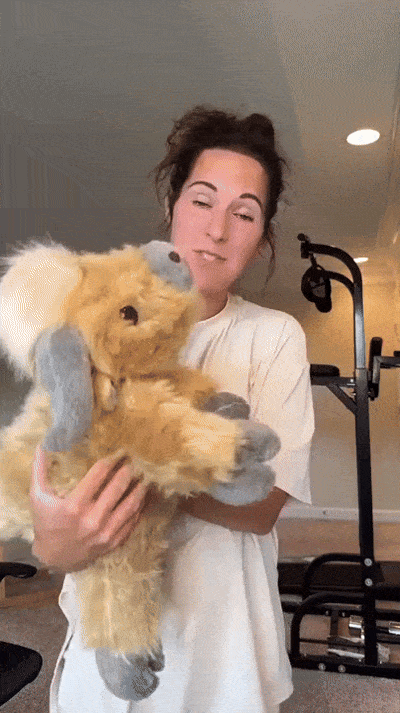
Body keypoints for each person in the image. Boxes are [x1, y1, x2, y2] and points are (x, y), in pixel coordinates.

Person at [30, 106, 314, 713]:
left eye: (244, 214)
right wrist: (56, 541)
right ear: (172, 205)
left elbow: (261, 508)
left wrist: (130, 459)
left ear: (263, 237)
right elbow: (57, 481)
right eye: (202, 201)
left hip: (224, 644)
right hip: (108, 634)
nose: (218, 230)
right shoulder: (95, 320)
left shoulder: (274, 336)